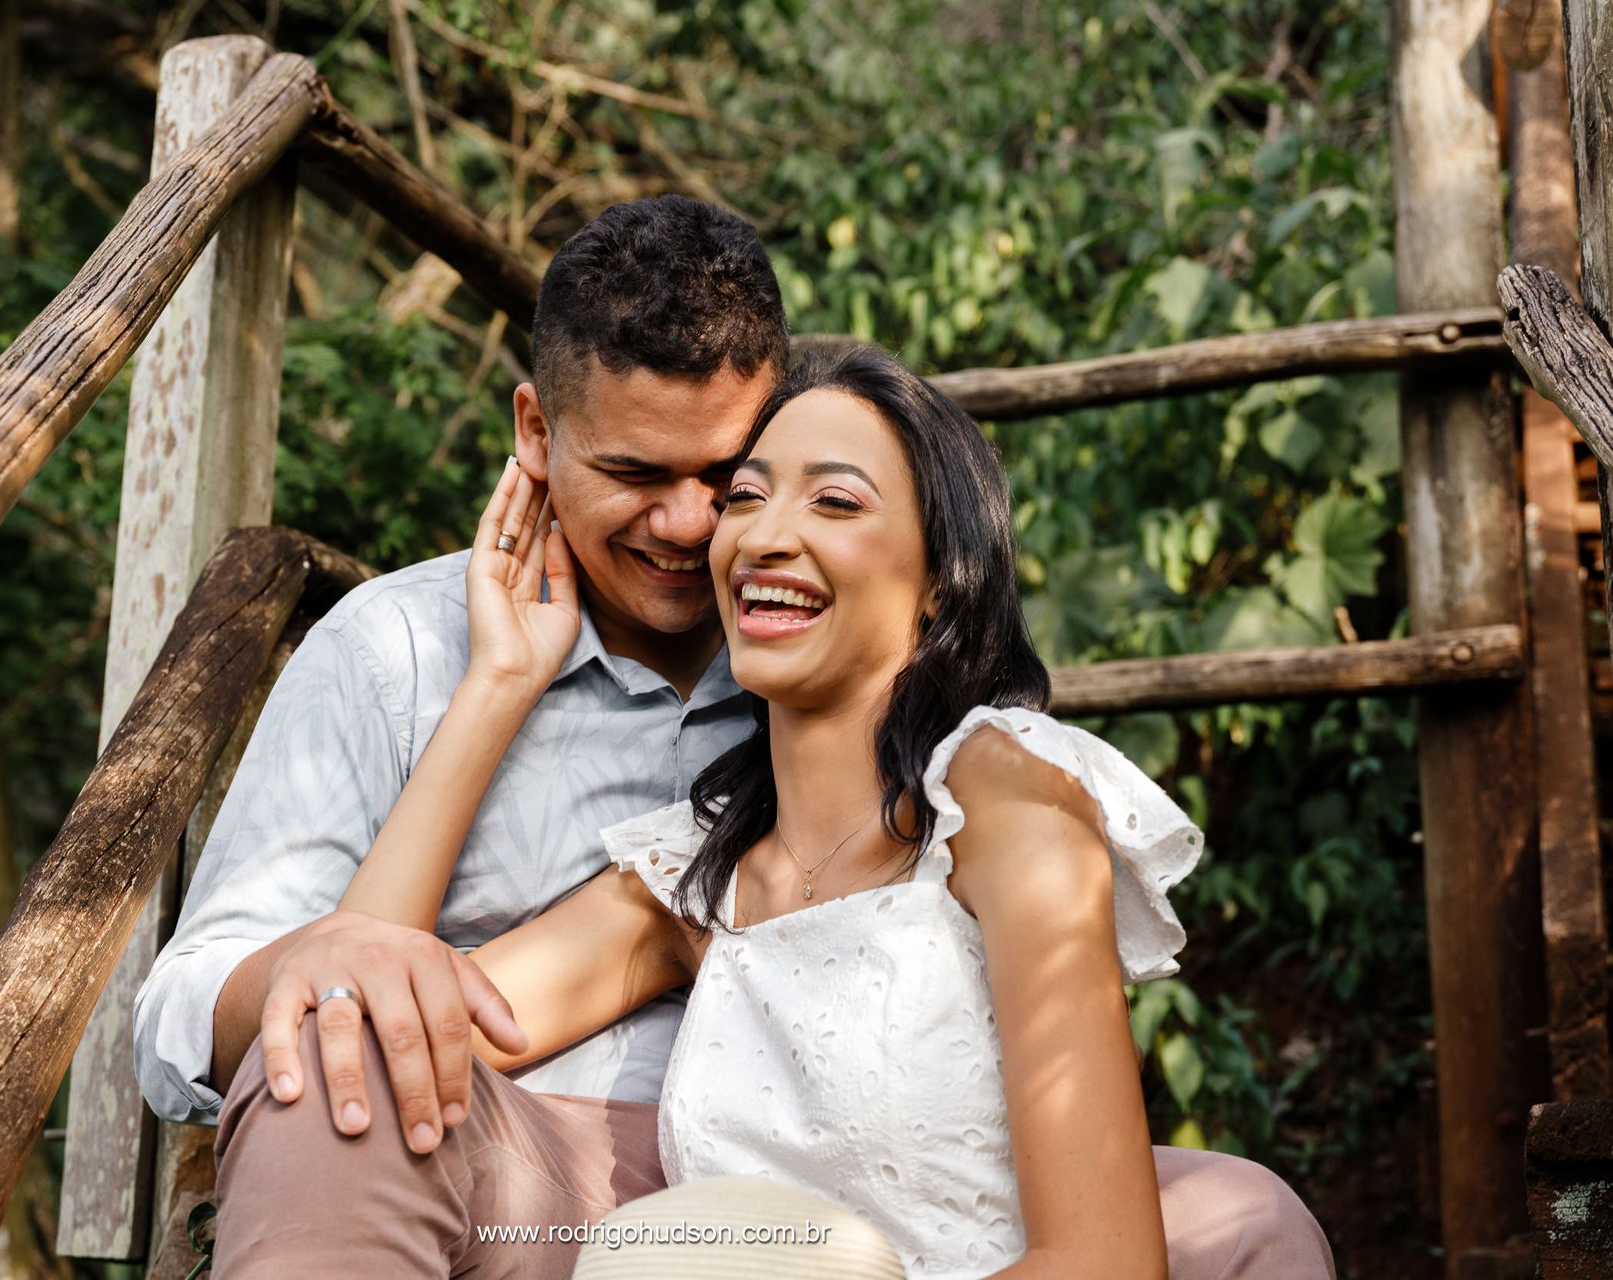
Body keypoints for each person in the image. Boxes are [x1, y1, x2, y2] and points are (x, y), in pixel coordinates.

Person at [132, 195, 1335, 1276]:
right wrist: (496, 687)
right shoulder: (450, 690)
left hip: (886, 1194)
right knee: (348, 1066)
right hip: (564, 1197)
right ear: (537, 436)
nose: (706, 526)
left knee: (1246, 1215)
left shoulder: (962, 768)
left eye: (734, 476)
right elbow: (344, 999)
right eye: (650, 475)